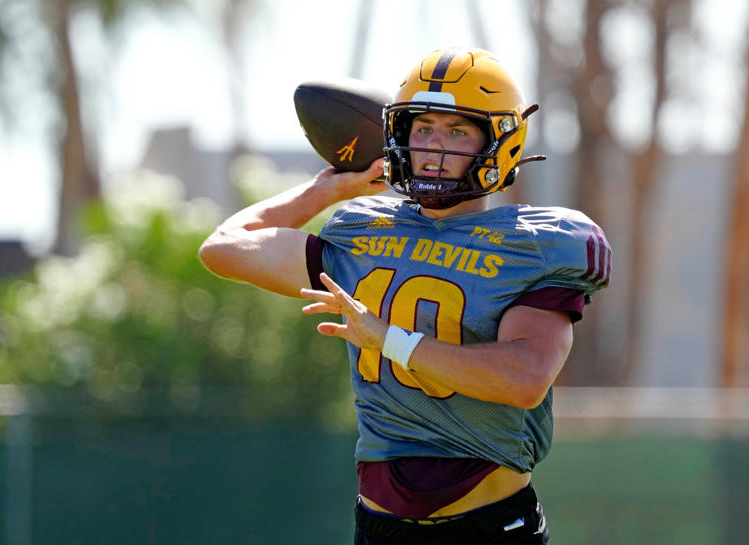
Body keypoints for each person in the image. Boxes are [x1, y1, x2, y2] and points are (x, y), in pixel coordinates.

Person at [199, 47, 611, 545]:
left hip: (487, 527)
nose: (434, 148)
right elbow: (223, 247)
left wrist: (389, 340)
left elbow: (525, 378)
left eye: (457, 131)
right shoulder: (360, 233)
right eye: (423, 129)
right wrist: (325, 191)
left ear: (500, 141)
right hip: (380, 528)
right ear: (399, 136)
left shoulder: (537, 242)